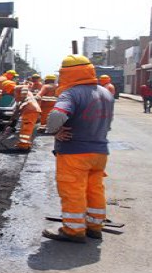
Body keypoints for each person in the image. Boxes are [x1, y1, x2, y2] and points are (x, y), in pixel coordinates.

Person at [43, 55, 114, 243]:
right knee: (95, 190)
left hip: (75, 152)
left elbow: (58, 114)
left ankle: (73, 231)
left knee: (73, 190)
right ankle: (94, 227)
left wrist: (54, 131)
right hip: (99, 151)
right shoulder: (105, 93)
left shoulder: (71, 93)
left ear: (67, 73)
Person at [1, 80, 41, 151]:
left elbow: (25, 87)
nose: (8, 94)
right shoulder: (16, 94)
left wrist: (23, 97)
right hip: (28, 110)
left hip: (30, 110)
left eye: (6, 92)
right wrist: (12, 122)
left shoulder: (17, 88)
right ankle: (24, 144)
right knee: (24, 128)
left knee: (26, 129)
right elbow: (17, 109)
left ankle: (23, 146)